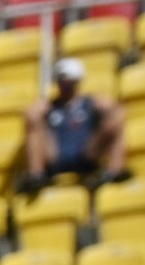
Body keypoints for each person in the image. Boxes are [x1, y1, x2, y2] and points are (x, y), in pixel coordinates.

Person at [23, 55, 120, 196]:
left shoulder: (89, 103)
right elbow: (31, 114)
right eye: (62, 81)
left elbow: (114, 109)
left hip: (86, 154)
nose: (65, 85)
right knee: (34, 125)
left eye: (69, 81)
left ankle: (115, 172)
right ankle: (36, 175)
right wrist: (45, 104)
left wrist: (99, 104)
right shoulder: (51, 107)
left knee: (115, 122)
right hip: (56, 156)